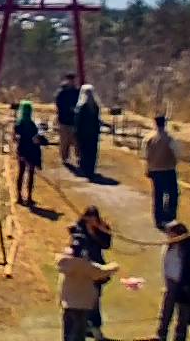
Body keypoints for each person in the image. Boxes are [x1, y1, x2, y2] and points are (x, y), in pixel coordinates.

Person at [57, 229, 118, 341]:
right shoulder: (84, 266)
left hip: (67, 306)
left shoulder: (65, 263)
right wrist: (114, 266)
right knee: (78, 336)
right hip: (82, 307)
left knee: (68, 336)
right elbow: (100, 272)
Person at [72, 206, 113, 338]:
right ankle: (86, 325)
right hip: (83, 268)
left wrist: (100, 231)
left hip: (96, 266)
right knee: (84, 299)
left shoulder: (100, 229)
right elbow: (76, 244)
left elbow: (106, 245)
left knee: (95, 298)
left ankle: (95, 325)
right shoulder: (80, 229)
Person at [142, 116, 180, 229]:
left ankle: (158, 219)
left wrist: (147, 168)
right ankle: (169, 217)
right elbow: (177, 153)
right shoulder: (170, 138)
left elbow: (145, 155)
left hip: (154, 170)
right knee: (172, 194)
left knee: (158, 195)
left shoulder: (148, 138)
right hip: (168, 169)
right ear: (165, 124)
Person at [13, 99, 44, 205]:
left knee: (21, 173)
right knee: (30, 174)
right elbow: (36, 139)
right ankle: (29, 197)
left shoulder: (18, 125)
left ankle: (19, 197)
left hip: (21, 151)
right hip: (31, 152)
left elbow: (15, 139)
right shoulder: (33, 126)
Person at [74, 85, 102, 179]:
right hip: (93, 134)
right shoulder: (96, 106)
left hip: (83, 134)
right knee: (92, 152)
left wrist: (76, 132)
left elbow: (78, 122)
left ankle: (85, 170)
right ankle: (91, 169)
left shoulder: (81, 107)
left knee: (84, 151)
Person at [55, 73, 80, 165]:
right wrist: (68, 108)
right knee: (65, 141)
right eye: (70, 80)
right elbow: (59, 105)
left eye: (73, 80)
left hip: (75, 121)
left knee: (77, 141)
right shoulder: (62, 93)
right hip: (64, 120)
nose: (72, 82)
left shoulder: (78, 92)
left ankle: (78, 157)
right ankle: (65, 158)